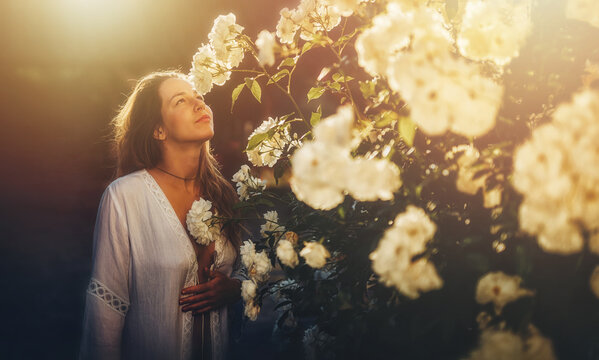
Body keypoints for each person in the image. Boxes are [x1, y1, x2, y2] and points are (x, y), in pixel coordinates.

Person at [79, 70, 243, 360]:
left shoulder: (223, 195)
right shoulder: (125, 197)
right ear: (159, 130)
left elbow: (247, 277)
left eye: (199, 97)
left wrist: (234, 289)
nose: (199, 104)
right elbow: (106, 306)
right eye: (180, 101)